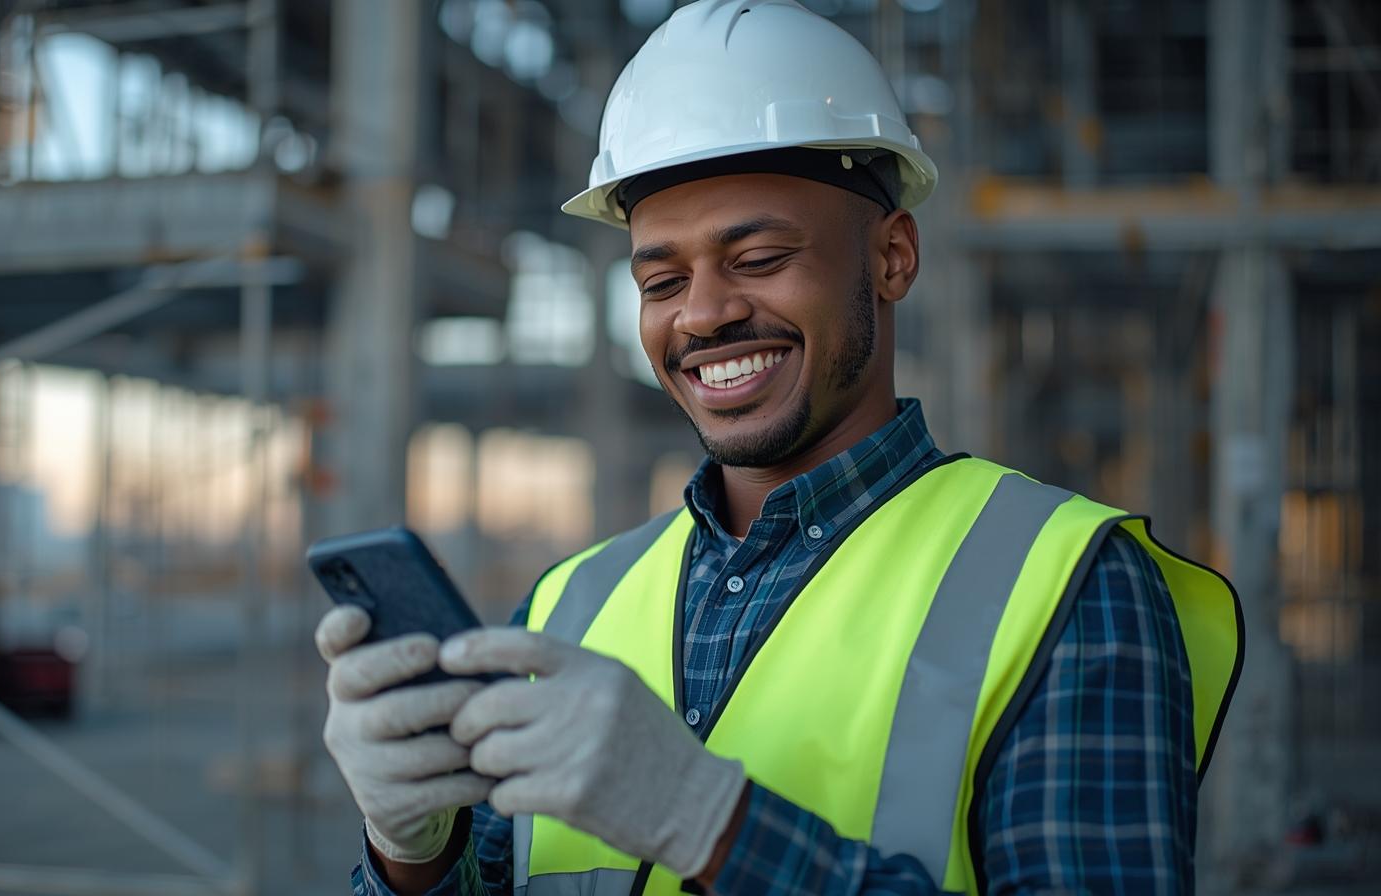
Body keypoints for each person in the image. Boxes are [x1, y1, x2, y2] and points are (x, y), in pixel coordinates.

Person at [318, 1, 1244, 893]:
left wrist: (712, 826)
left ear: (893, 258)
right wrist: (414, 855)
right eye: (661, 279)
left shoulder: (1070, 588)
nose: (706, 313)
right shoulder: (567, 605)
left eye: (758, 259)